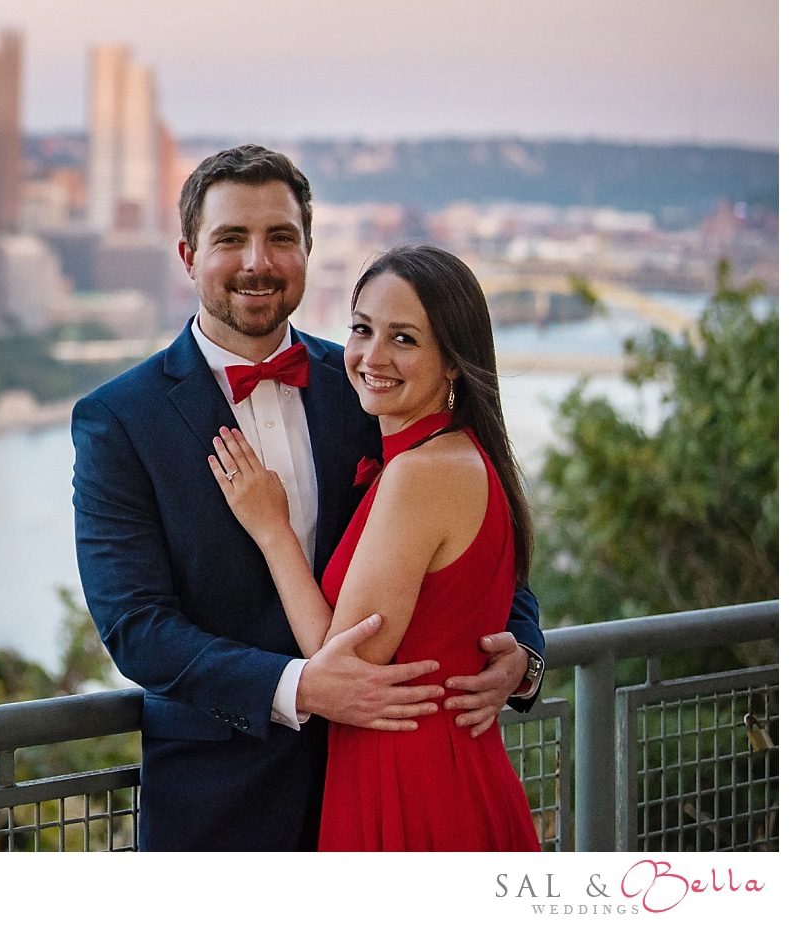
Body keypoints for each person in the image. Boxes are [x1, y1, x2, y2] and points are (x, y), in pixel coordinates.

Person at [71, 145, 544, 850]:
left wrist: (525, 655)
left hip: (387, 778)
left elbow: (471, 546)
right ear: (188, 256)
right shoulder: (119, 420)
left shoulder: (370, 384)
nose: (257, 261)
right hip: (220, 805)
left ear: (307, 251)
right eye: (231, 239)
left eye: (281, 238)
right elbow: (136, 627)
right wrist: (300, 687)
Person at [208, 243, 541, 849]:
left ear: (454, 365)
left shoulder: (423, 472)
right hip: (436, 760)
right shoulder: (448, 454)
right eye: (363, 329)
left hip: (412, 781)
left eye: (405, 339)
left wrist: (271, 528)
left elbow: (348, 661)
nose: (372, 356)